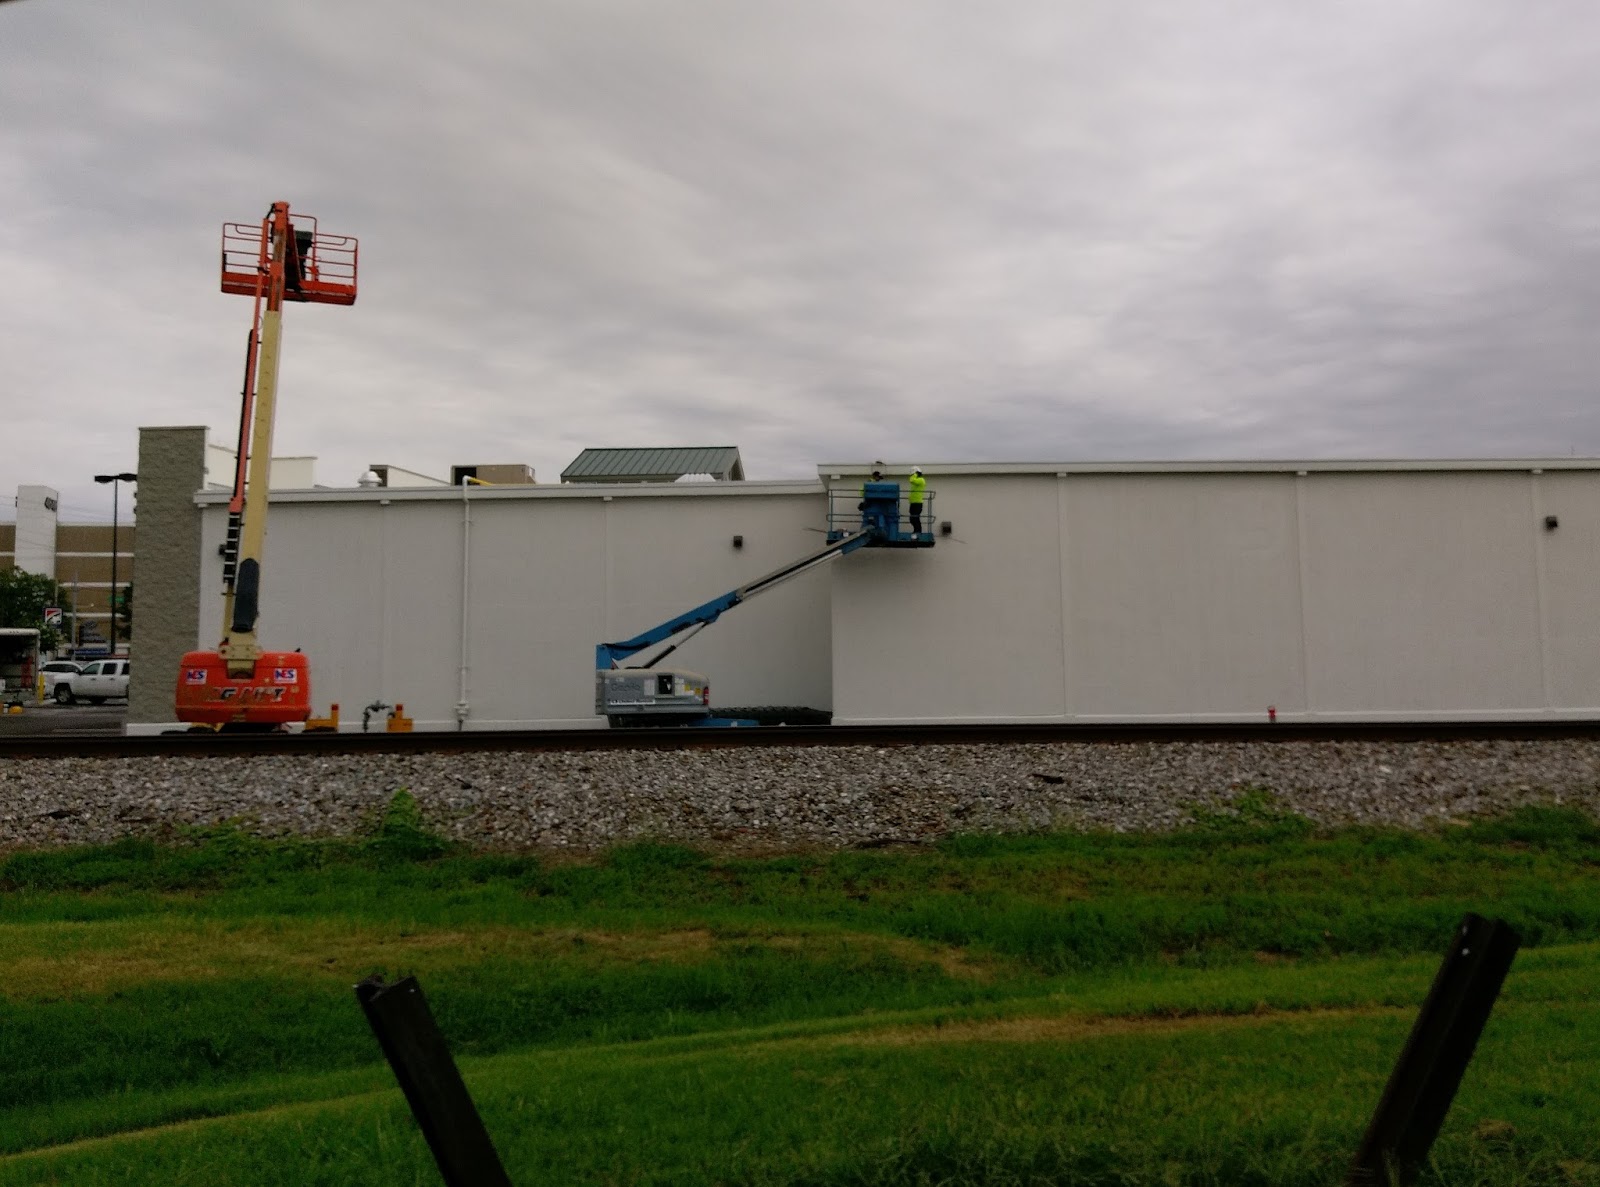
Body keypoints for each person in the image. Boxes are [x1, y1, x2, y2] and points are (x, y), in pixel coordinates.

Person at [907, 468, 926, 534]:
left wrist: (915, 474)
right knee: (912, 519)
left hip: (917, 503)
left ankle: (918, 532)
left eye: (913, 474)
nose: (912, 475)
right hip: (913, 503)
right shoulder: (916, 481)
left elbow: (912, 480)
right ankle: (916, 531)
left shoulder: (921, 480)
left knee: (915, 518)